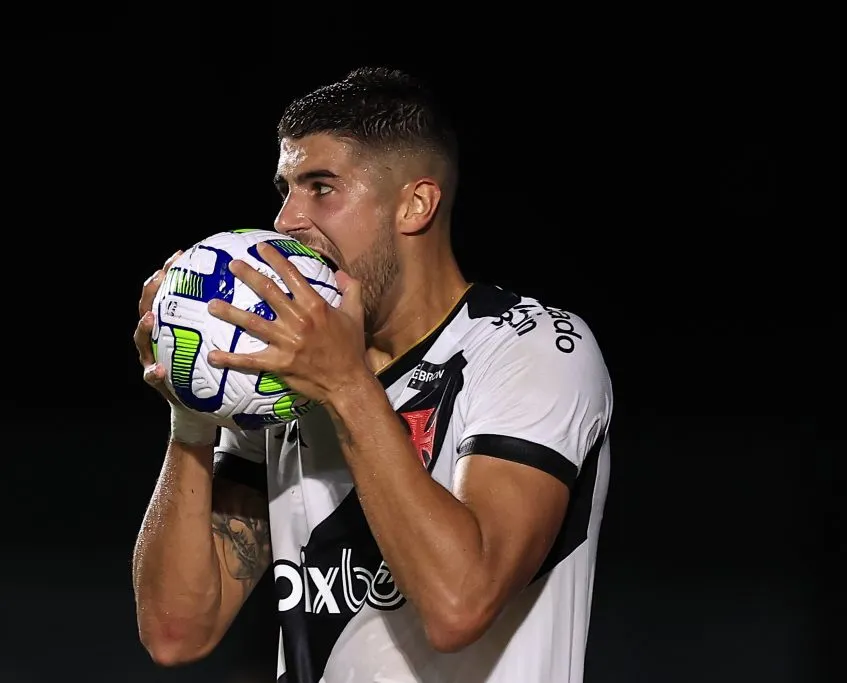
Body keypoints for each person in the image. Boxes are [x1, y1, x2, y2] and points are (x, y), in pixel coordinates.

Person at [131, 66, 613, 683]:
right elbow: (177, 632)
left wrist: (346, 386)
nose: (286, 221)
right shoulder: (284, 380)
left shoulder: (532, 350)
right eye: (285, 188)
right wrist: (192, 415)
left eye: (321, 187)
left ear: (415, 204)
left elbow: (459, 605)